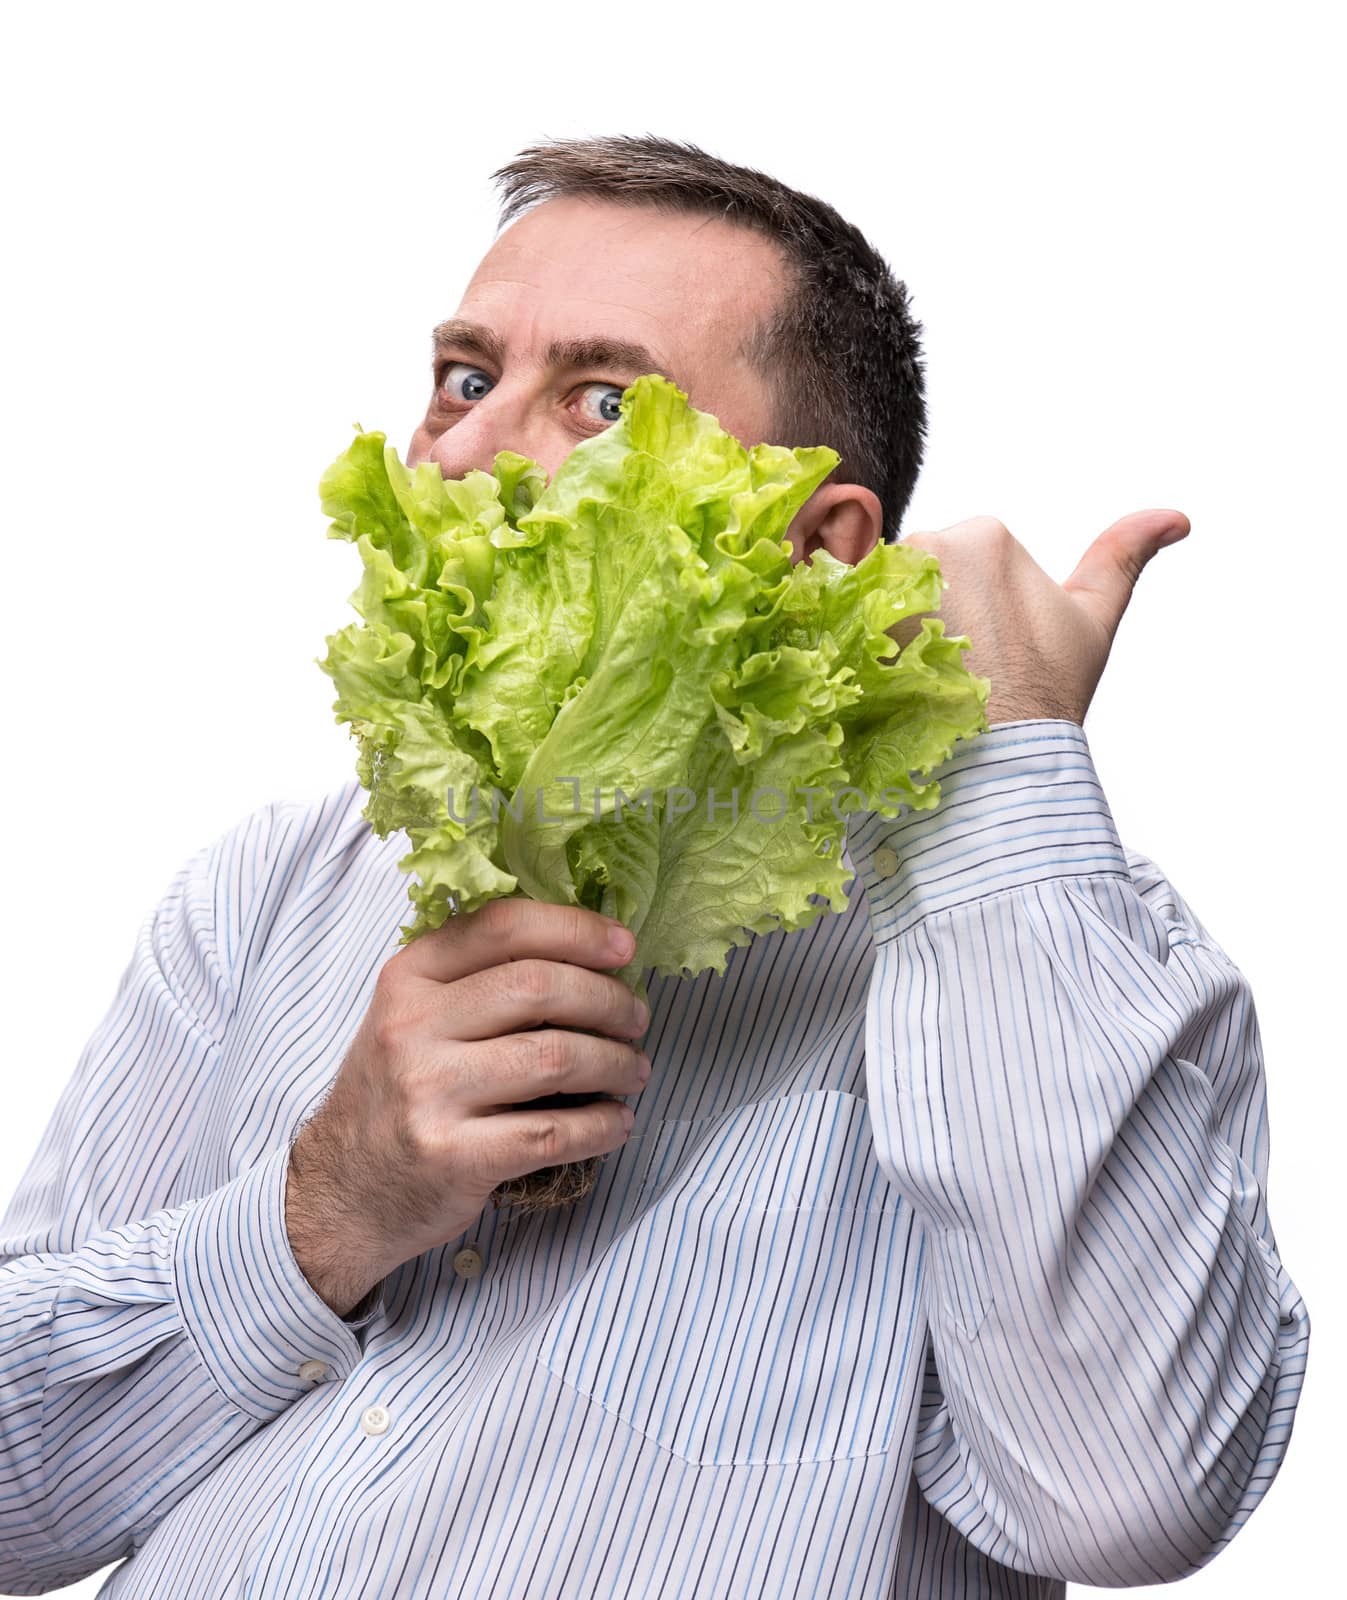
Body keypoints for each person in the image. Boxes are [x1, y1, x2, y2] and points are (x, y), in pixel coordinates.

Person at [0, 135, 1308, 1598]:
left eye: (603, 400)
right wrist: (324, 1212)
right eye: (464, 376)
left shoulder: (1056, 953)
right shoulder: (267, 895)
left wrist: (1002, 764)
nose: (476, 449)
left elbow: (1124, 1493)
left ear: (816, 544)